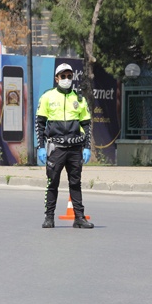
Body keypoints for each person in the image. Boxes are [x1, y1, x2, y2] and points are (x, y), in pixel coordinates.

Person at [36, 63, 93, 229]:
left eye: (69, 76)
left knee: (75, 183)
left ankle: (79, 218)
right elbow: (39, 124)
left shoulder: (79, 98)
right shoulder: (47, 97)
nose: (66, 79)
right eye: (63, 76)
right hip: (56, 147)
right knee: (52, 182)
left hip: (75, 148)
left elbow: (87, 124)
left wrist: (87, 147)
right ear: (56, 78)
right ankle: (49, 217)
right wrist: (40, 146)